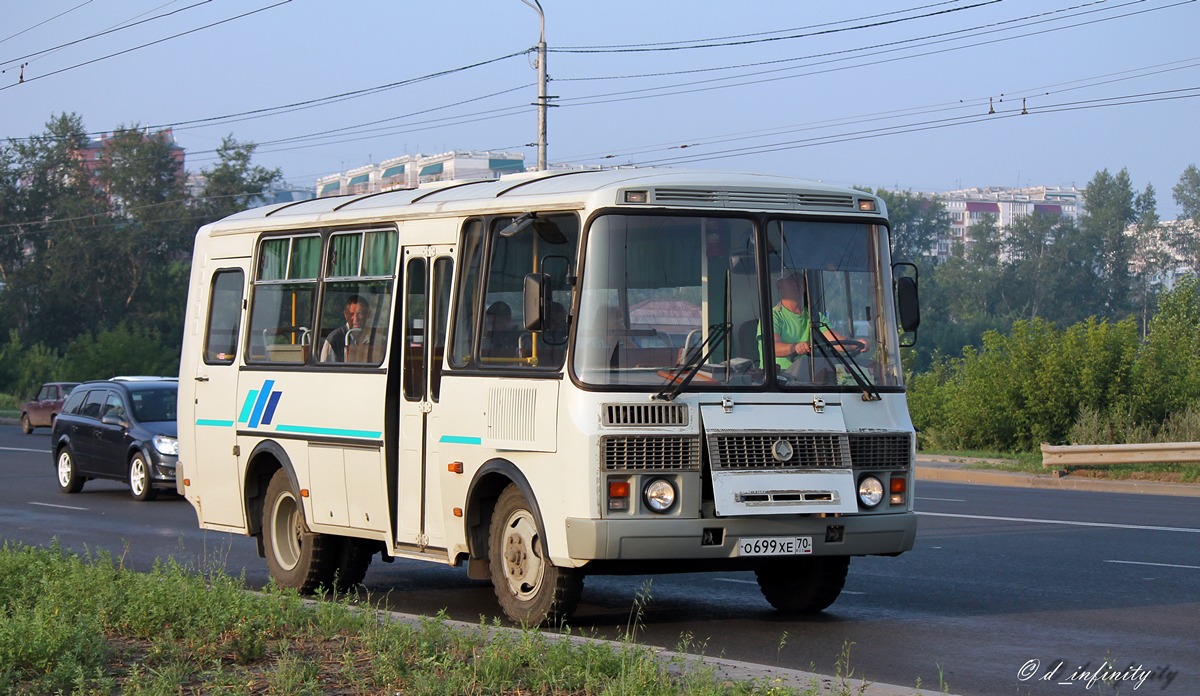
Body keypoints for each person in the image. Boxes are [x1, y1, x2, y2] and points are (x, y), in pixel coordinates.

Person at [760, 270, 865, 372]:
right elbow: (772, 348)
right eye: (790, 280)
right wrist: (794, 347)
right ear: (780, 286)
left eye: (800, 280)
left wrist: (855, 344)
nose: (796, 284)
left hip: (809, 377)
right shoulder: (771, 316)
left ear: (805, 287)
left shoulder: (815, 316)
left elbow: (835, 341)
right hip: (781, 378)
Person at [320, 295, 373, 362]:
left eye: (360, 314)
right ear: (345, 315)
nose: (356, 319)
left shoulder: (375, 337)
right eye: (351, 314)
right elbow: (325, 368)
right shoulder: (334, 339)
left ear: (368, 314)